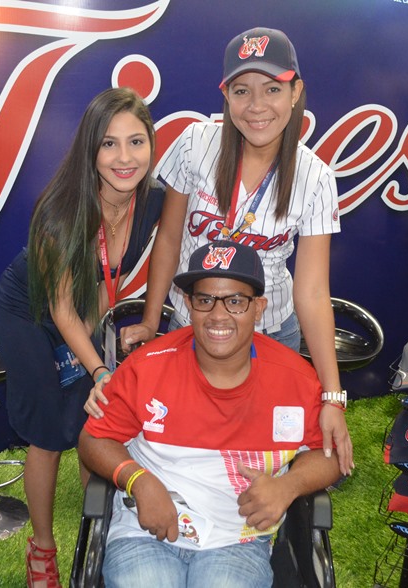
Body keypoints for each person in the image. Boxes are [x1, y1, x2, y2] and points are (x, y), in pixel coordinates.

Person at [104, 27, 353, 475]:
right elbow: (169, 239)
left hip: (270, 332)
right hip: (194, 324)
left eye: (272, 89)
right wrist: (151, 319)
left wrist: (332, 396)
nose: (256, 106)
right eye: (242, 90)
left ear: (296, 92)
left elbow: (313, 292)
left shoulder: (315, 177)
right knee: (188, 455)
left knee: (265, 465)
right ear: (225, 95)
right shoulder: (196, 144)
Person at [79, 241, 341, 587]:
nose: (218, 315)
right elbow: (93, 438)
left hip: (237, 540)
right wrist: (137, 480)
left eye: (235, 301)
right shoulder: (146, 367)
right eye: (205, 300)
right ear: (189, 305)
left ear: (258, 308)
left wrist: (288, 486)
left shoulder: (295, 378)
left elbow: (329, 454)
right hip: (144, 532)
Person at [0, 87, 163, 588]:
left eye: (136, 142)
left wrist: (99, 354)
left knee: (94, 425)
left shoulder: (153, 201)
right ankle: (42, 550)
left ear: (151, 145)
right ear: (91, 148)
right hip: (29, 312)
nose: (125, 157)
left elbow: (110, 280)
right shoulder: (60, 210)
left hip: (87, 310)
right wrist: (99, 367)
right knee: (49, 433)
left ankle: (97, 541)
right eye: (109, 143)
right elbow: (59, 309)